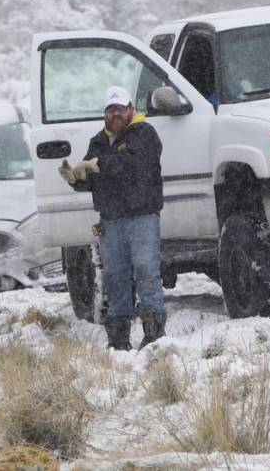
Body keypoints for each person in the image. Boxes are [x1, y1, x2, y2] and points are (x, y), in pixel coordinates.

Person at [59, 86, 165, 350]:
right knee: (115, 277)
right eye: (110, 110)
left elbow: (132, 165)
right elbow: (92, 178)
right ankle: (118, 338)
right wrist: (76, 178)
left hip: (142, 216)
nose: (116, 114)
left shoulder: (145, 134)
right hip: (110, 220)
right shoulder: (97, 142)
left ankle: (154, 334)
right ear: (104, 114)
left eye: (120, 109)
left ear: (131, 109)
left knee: (146, 273)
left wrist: (98, 165)